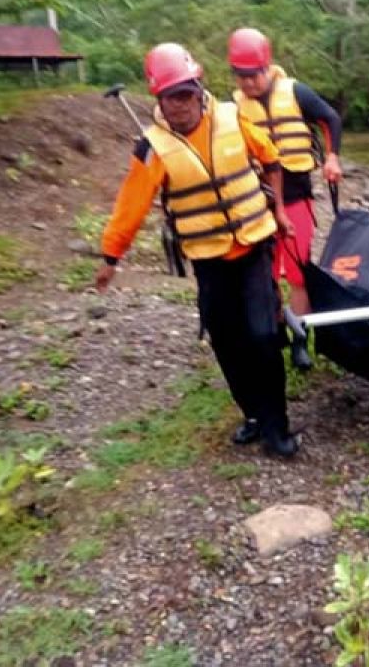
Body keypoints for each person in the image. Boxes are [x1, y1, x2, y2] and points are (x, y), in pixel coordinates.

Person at [96, 43, 300, 458]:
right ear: (159, 99)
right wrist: (111, 258)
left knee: (262, 336)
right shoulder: (152, 147)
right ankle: (254, 415)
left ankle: (278, 428)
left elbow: (272, 158)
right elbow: (129, 206)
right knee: (226, 339)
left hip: (253, 245)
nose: (181, 106)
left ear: (199, 88)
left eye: (187, 95)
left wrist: (279, 208)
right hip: (208, 257)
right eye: (172, 98)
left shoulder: (232, 117)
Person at [228, 27, 344, 371]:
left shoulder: (295, 92)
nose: (249, 83)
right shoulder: (232, 107)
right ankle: (275, 330)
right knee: (264, 274)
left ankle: (299, 341)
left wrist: (333, 157)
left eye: (254, 75)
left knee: (297, 273)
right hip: (256, 200)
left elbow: (331, 118)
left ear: (268, 66)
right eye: (241, 76)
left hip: (296, 195)